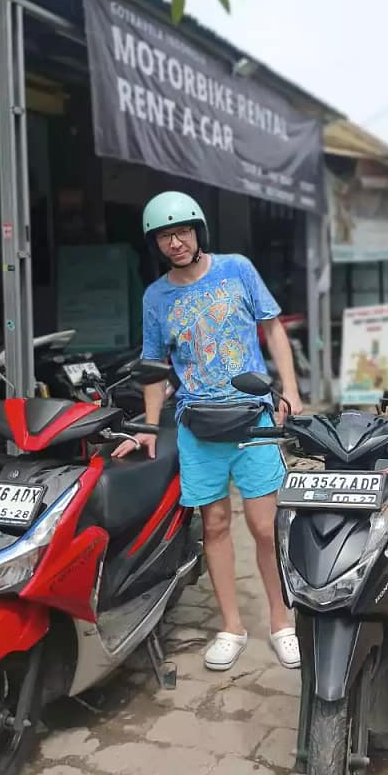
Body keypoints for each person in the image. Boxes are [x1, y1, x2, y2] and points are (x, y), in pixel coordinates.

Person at [113, 191, 303, 672]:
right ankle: (232, 626)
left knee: (264, 527)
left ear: (198, 232)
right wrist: (149, 427)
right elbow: (154, 367)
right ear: (155, 244)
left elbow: (273, 329)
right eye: (164, 236)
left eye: (182, 231)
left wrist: (291, 390)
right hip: (197, 425)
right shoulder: (156, 297)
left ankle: (281, 622)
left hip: (253, 418)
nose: (175, 242)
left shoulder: (237, 269)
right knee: (215, 525)